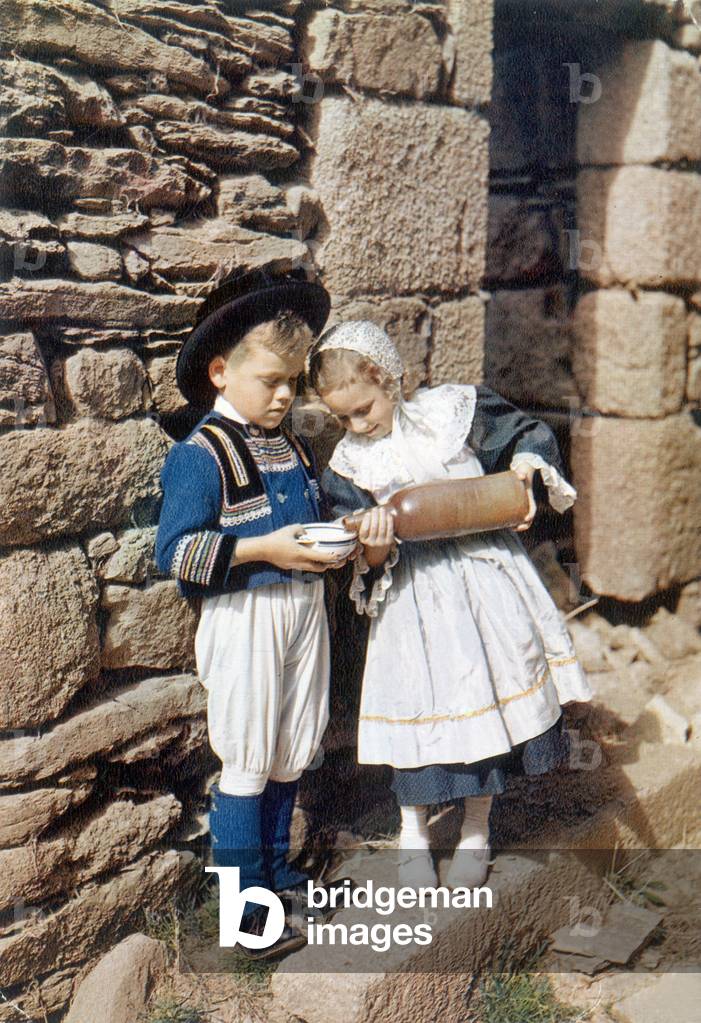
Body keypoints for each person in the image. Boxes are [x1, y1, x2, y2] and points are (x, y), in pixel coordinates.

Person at [306, 321, 593, 890]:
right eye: (343, 418)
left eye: (363, 409)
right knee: (420, 706)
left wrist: (523, 469)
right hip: (412, 595)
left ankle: (475, 829)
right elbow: (351, 538)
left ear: (389, 380)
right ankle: (413, 830)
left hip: (484, 579)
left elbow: (526, 435)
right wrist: (373, 544)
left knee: (485, 696)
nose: (356, 425)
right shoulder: (349, 464)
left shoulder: (454, 411)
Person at [155, 269, 349, 959]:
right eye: (270, 379)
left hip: (302, 610)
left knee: (291, 746)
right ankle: (244, 910)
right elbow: (175, 551)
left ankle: (276, 876)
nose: (283, 394)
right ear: (219, 371)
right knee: (247, 753)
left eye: (292, 381)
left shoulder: (292, 448)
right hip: (245, 615)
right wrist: (261, 547)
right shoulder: (201, 454)